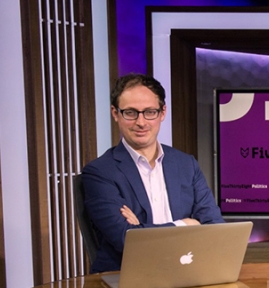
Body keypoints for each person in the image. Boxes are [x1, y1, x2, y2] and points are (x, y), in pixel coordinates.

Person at [83, 73, 224, 273]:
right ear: (115, 113)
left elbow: (215, 228)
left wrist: (142, 229)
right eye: (130, 112)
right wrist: (185, 225)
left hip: (186, 270)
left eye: (150, 112)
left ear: (162, 112)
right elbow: (127, 240)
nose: (141, 122)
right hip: (128, 277)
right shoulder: (100, 173)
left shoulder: (185, 164)